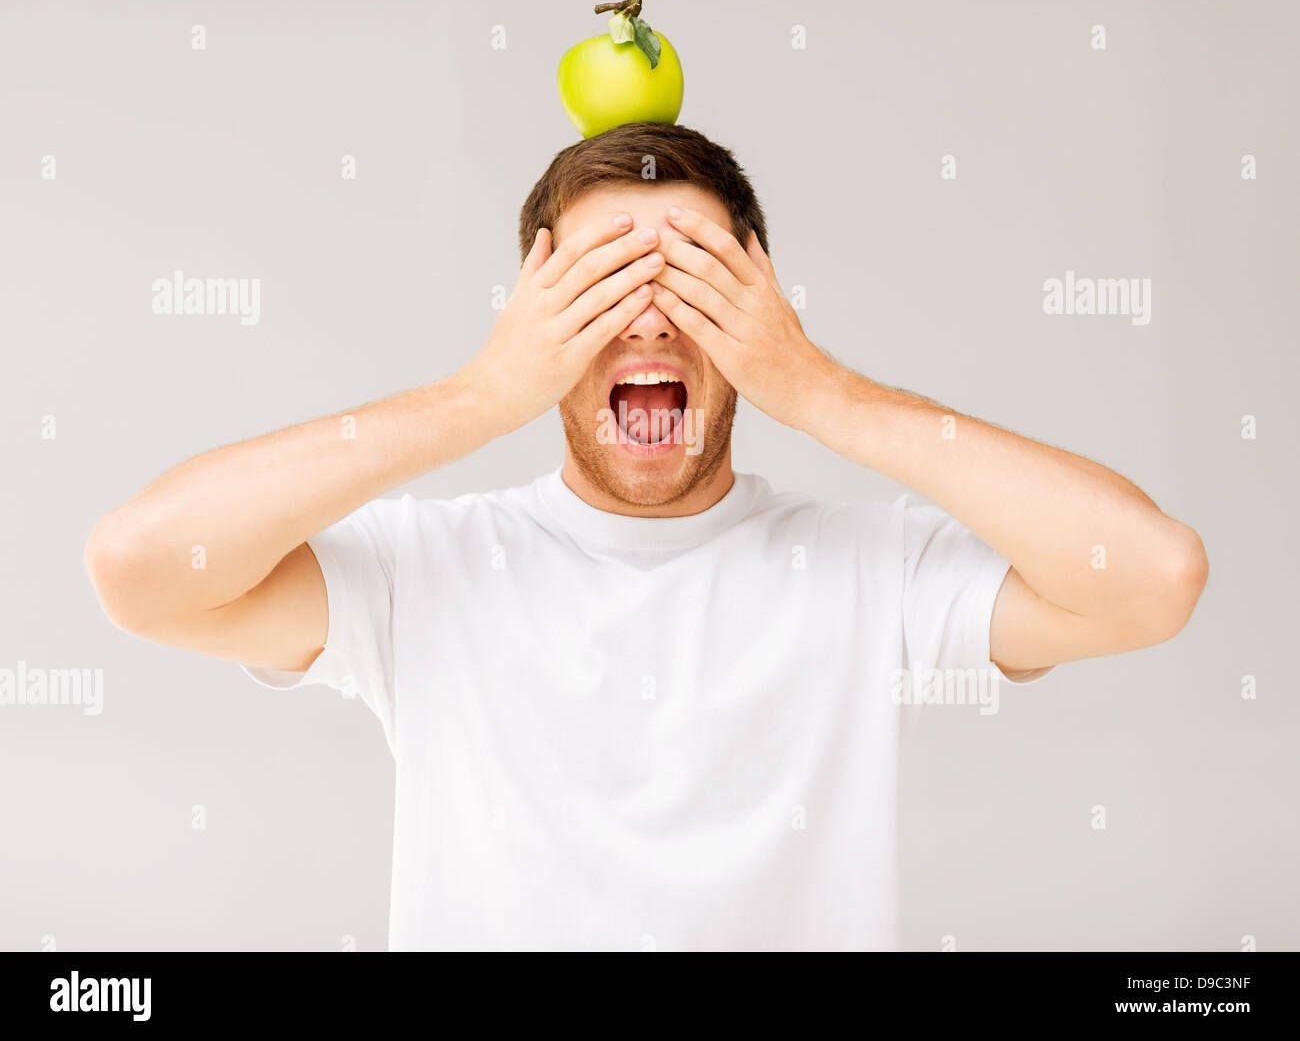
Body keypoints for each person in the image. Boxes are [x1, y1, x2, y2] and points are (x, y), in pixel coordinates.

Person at [85, 122, 1208, 950]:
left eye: (695, 277)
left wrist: (821, 389)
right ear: (533, 316)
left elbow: (1148, 577)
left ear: (764, 305)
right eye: (597, 281)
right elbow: (142, 569)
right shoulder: (423, 574)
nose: (652, 313)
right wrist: (479, 396)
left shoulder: (869, 569)